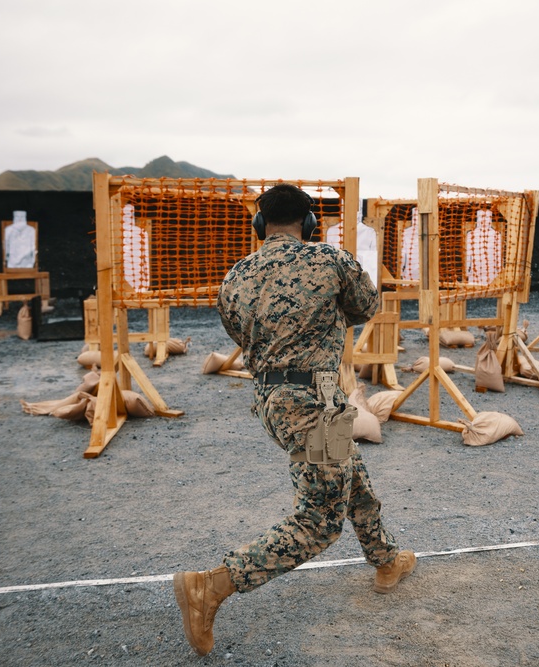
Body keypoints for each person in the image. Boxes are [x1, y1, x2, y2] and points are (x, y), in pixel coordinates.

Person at [172, 183, 416, 657]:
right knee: (321, 518)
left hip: (273, 396)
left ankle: (386, 558)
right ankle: (212, 585)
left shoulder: (237, 275)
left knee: (348, 472)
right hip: (315, 396)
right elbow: (367, 307)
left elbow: (239, 334)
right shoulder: (332, 260)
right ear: (308, 224)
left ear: (260, 225)